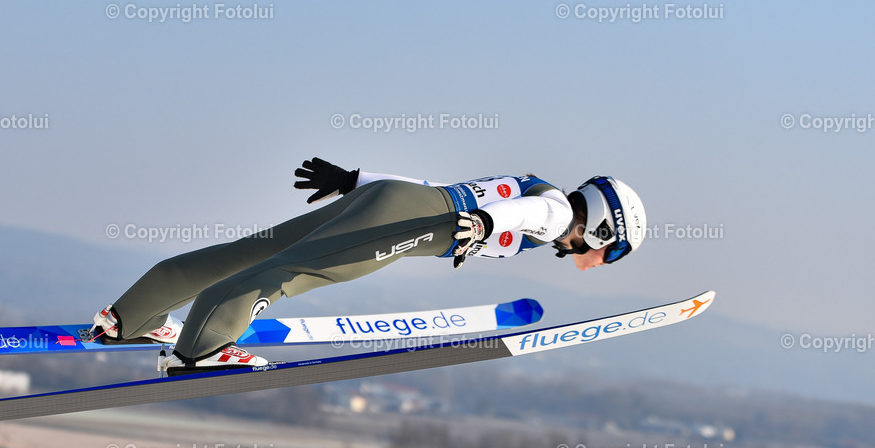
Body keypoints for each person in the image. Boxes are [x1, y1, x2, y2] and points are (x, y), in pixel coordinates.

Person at [91, 158, 647, 374]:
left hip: (391, 199)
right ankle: (202, 349)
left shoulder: (543, 192)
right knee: (298, 271)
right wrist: (483, 223)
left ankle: (129, 316)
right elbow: (528, 214)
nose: (594, 261)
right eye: (606, 251)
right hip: (412, 223)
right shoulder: (554, 213)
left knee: (252, 251)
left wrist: (354, 182)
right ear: (601, 227)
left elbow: (428, 186)